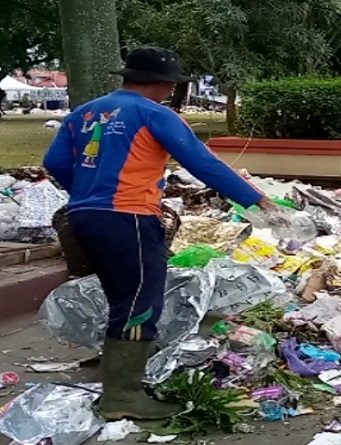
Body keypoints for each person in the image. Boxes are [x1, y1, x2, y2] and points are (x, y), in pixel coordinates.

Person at [42, 47, 274, 421]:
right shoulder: (154, 113)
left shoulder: (83, 112)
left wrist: (86, 194)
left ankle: (121, 377)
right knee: (140, 302)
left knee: (122, 296)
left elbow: (54, 163)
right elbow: (202, 162)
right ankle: (122, 396)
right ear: (164, 84)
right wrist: (257, 201)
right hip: (129, 216)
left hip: (84, 217)